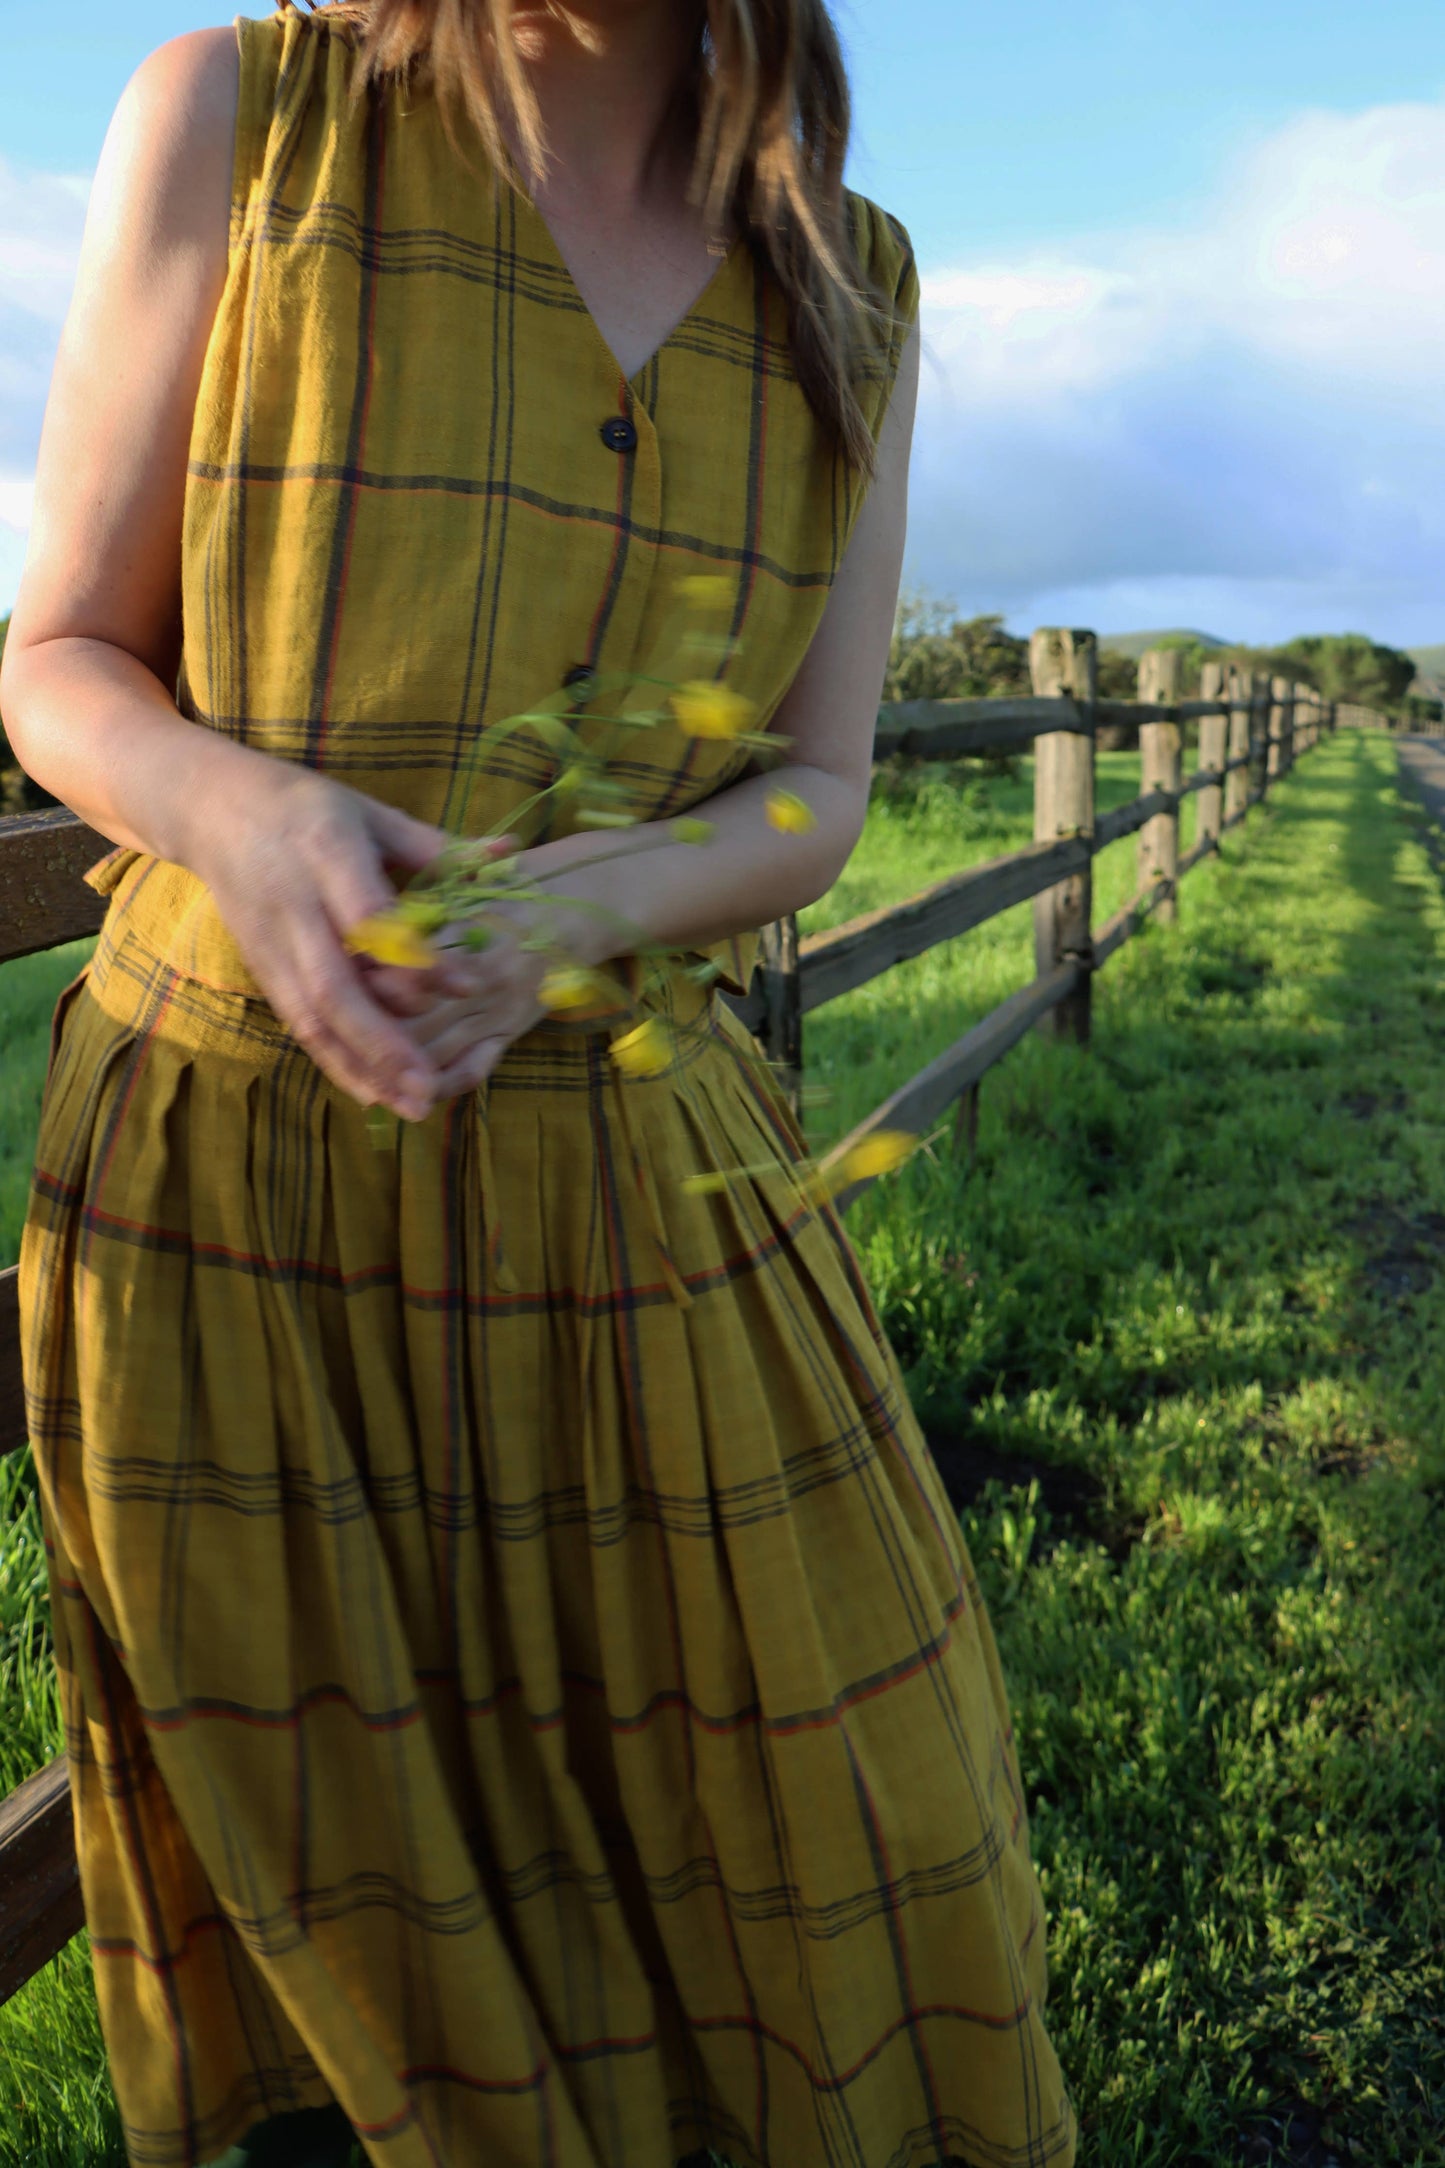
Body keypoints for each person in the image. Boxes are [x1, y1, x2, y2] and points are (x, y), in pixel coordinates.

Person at [1, 2, 1076, 2163]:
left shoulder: (849, 272)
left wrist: (587, 902)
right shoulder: (238, 115)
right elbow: (58, 662)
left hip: (638, 1195)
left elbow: (819, 794)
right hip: (237, 1213)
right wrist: (246, 812)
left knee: (847, 1836)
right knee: (363, 1956)